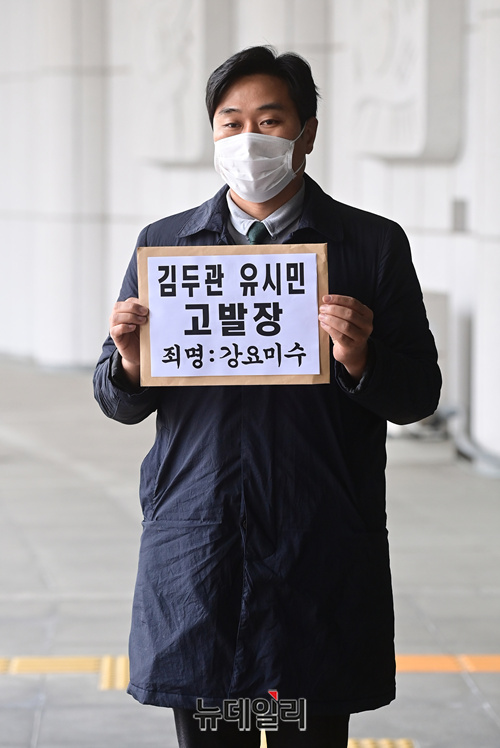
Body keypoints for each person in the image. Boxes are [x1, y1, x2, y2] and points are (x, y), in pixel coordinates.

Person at [94, 46, 441, 748]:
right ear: (213, 134)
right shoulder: (166, 245)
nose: (248, 139)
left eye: (270, 120)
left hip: (319, 543)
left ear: (307, 132)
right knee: (213, 726)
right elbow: (117, 398)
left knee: (305, 726)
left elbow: (418, 395)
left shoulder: (370, 246)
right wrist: (130, 363)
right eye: (232, 123)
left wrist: (361, 358)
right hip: (199, 545)